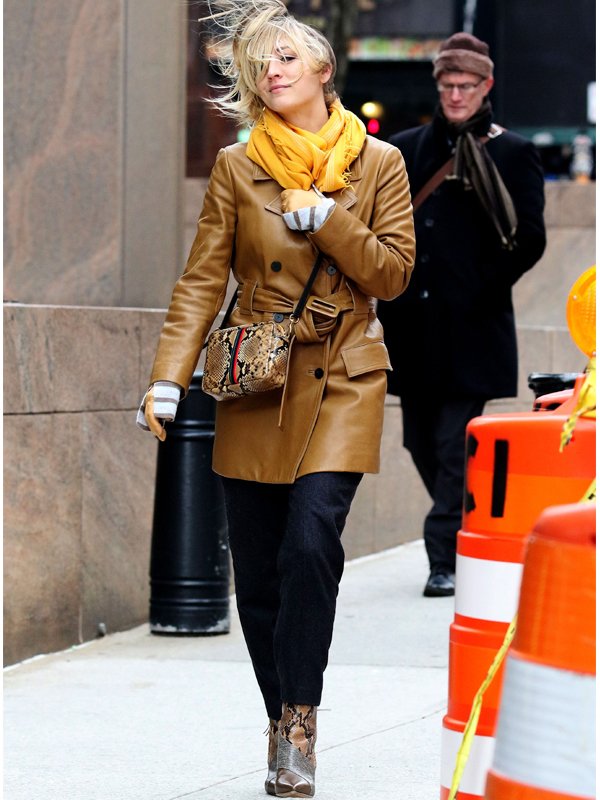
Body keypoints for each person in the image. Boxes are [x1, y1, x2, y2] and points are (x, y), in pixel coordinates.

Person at [137, 1, 415, 795]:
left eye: (288, 57)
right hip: (255, 377)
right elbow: (202, 278)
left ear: (325, 71)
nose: (273, 70)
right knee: (257, 575)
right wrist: (167, 376)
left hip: (345, 370)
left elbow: (392, 273)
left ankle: (300, 723)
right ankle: (281, 718)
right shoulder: (238, 166)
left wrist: (329, 220)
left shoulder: (379, 164)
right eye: (262, 63)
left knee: (309, 546)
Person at [377, 32, 546, 599]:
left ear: (486, 87)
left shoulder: (513, 151)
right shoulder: (403, 149)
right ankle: (469, 523)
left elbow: (530, 240)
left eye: (465, 86)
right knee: (419, 443)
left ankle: (444, 556)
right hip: (413, 328)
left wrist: (479, 287)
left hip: (472, 328)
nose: (455, 95)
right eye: (447, 86)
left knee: (454, 444)